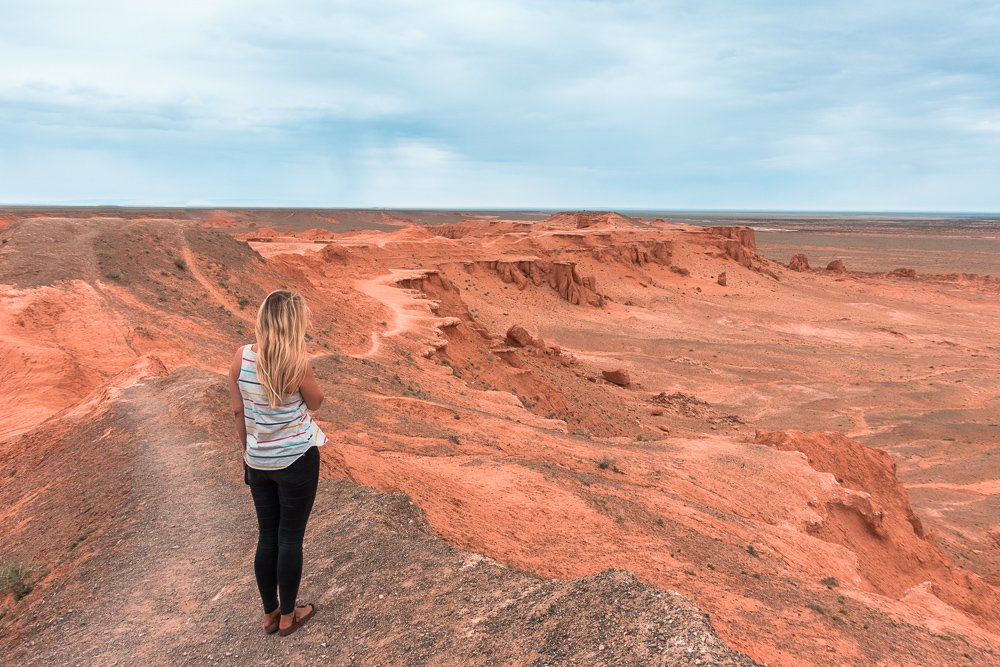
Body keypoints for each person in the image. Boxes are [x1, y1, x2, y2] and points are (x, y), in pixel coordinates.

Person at [227, 289, 328, 636]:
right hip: (297, 460)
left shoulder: (241, 357)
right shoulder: (295, 363)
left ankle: (269, 613)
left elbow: (238, 411)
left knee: (267, 536)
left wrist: (247, 454)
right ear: (293, 324)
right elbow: (316, 403)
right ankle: (288, 615)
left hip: (258, 461)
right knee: (290, 538)